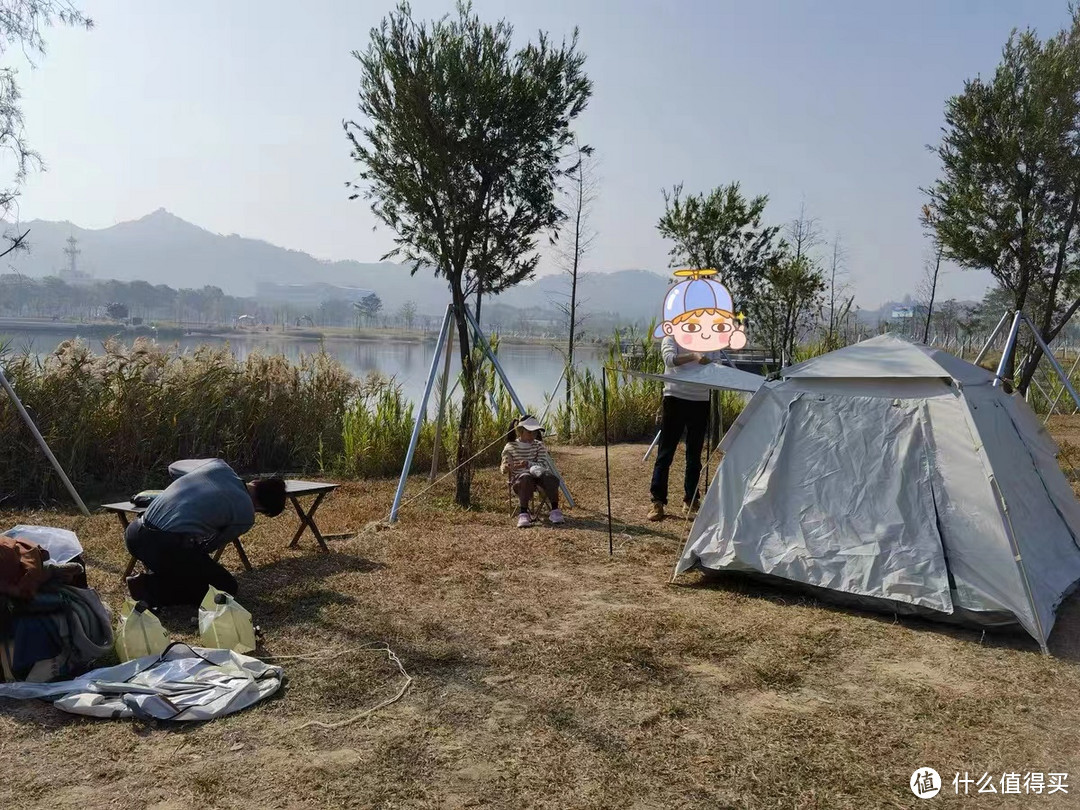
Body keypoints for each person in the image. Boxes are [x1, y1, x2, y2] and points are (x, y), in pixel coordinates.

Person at [648, 271, 747, 521]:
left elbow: (715, 367)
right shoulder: (671, 335)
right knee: (666, 452)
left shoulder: (713, 340)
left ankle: (690, 501)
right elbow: (670, 360)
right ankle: (657, 501)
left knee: (694, 454)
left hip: (700, 400)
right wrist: (693, 356)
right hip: (675, 397)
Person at [124, 458, 287, 607]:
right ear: (261, 508)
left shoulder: (218, 466)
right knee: (225, 587)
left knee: (185, 565)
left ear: (257, 482)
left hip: (134, 532)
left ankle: (157, 578)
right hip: (164, 546)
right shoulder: (246, 514)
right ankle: (149, 588)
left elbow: (173, 468)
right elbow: (209, 545)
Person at [500, 414, 564, 528]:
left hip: (539, 477)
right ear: (520, 431)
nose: (532, 435)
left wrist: (528, 463)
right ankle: (523, 513)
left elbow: (543, 463)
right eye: (529, 432)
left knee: (551, 477)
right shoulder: (510, 446)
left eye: (535, 432)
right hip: (520, 480)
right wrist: (506, 467)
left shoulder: (539, 445)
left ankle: (555, 510)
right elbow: (504, 465)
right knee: (526, 477)